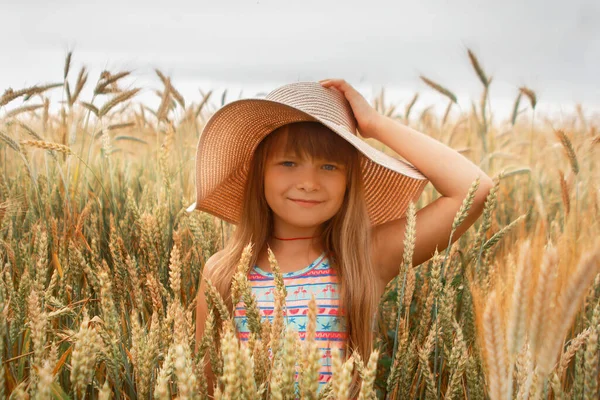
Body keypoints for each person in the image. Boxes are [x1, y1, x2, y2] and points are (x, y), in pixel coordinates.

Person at [191, 79, 493, 398]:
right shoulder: (223, 272)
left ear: (350, 181)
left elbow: (474, 191)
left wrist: (374, 125)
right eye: (289, 163)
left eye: (329, 166)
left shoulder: (364, 256)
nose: (308, 182)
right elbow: (204, 384)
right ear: (259, 172)